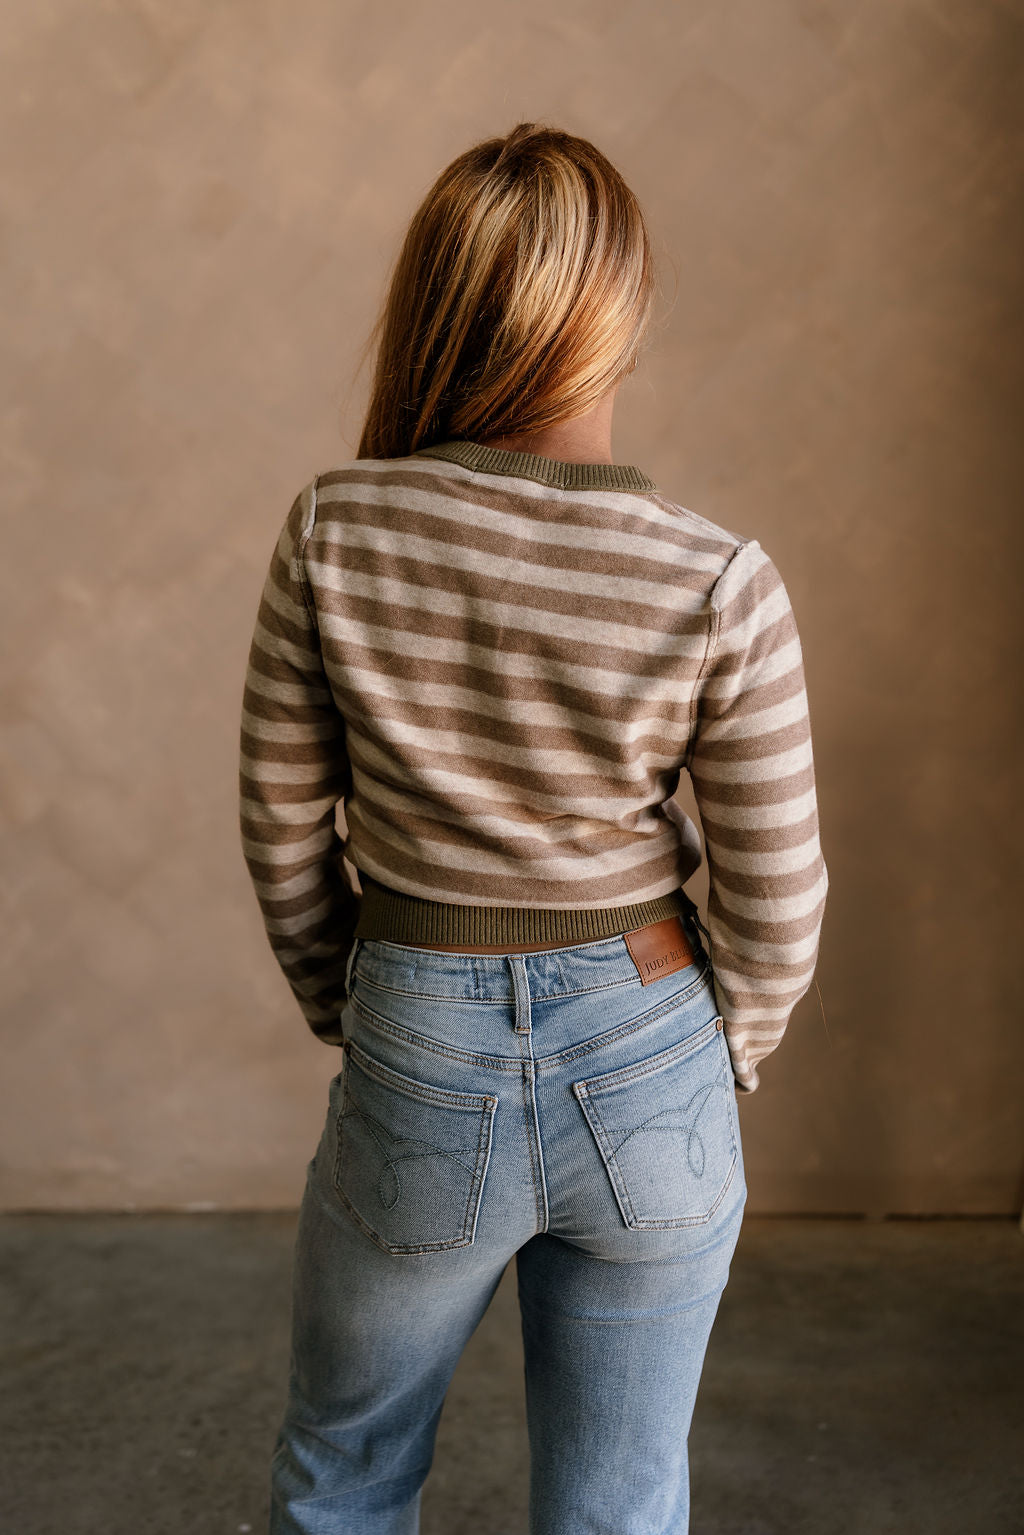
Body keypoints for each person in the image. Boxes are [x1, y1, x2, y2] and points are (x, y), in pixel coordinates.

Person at [238, 120, 828, 1535]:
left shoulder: (334, 530)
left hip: (417, 1032)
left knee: (347, 1467)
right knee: (620, 1505)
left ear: (434, 305)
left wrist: (358, 999)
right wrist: (721, 1049)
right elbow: (779, 897)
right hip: (653, 1046)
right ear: (618, 317)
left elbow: (280, 824)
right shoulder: (717, 576)